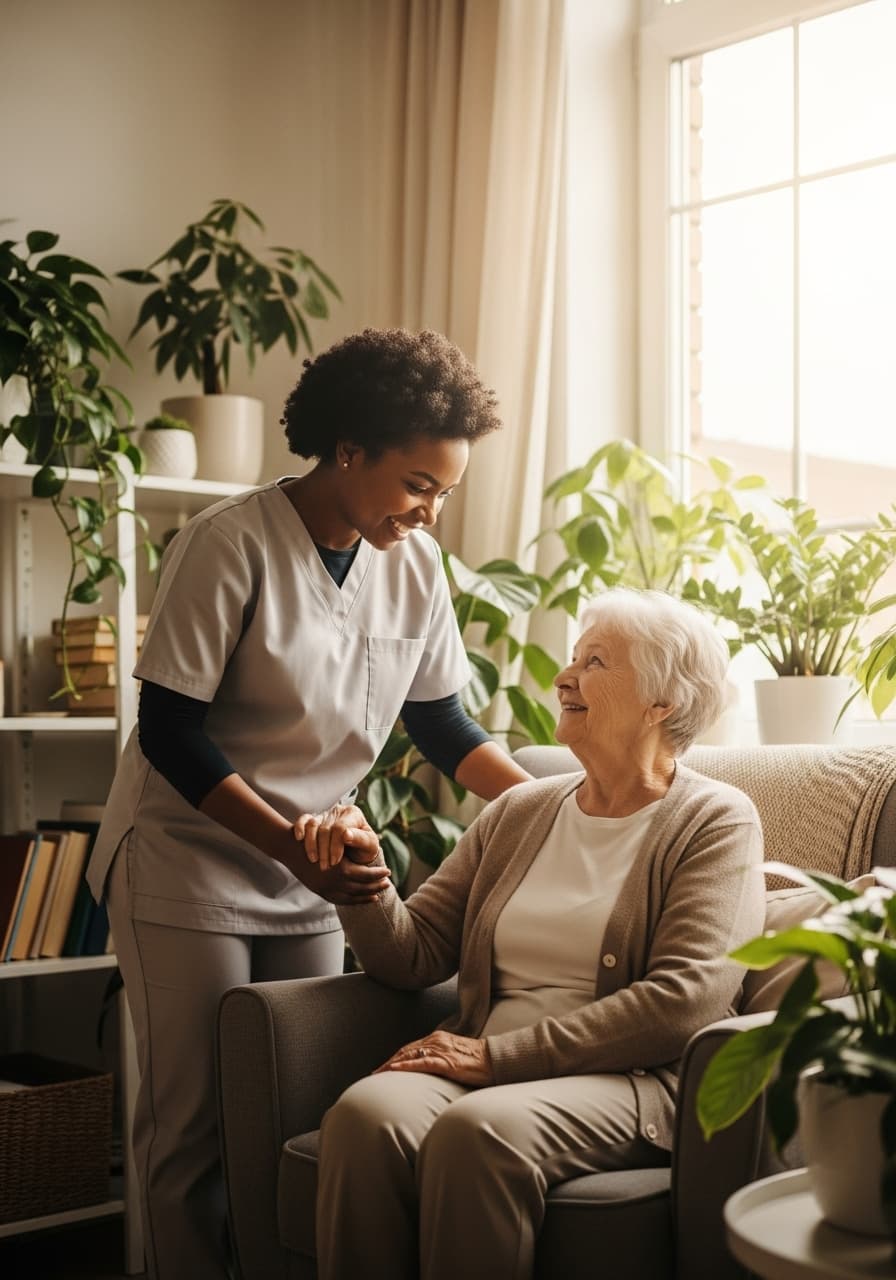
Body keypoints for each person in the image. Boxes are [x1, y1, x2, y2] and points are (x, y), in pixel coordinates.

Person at [85, 328, 534, 1280]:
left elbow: (444, 726)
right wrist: (289, 843)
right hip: (186, 857)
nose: (431, 513)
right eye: (418, 484)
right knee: (193, 1126)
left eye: (444, 493)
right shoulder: (229, 543)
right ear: (348, 450)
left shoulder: (412, 566)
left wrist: (554, 805)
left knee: (292, 1110)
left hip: (314, 867)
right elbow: (169, 730)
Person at [302, 588, 767, 1280]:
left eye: (596, 662)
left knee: (477, 1133)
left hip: (628, 1080)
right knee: (365, 1116)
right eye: (574, 658)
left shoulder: (716, 821)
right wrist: (364, 879)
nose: (563, 677)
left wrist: (497, 1060)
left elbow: (687, 999)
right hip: (490, 1062)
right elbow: (413, 955)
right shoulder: (521, 809)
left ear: (661, 703)